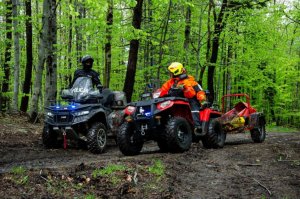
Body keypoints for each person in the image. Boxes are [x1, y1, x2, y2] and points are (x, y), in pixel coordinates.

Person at [159, 62, 206, 135]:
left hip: (190, 100)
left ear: (176, 71)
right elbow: (163, 90)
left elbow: (198, 91)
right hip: (175, 100)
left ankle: (197, 127)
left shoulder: (189, 80)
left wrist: (202, 101)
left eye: (171, 72)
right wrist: (158, 95)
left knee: (193, 107)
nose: (170, 74)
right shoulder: (171, 82)